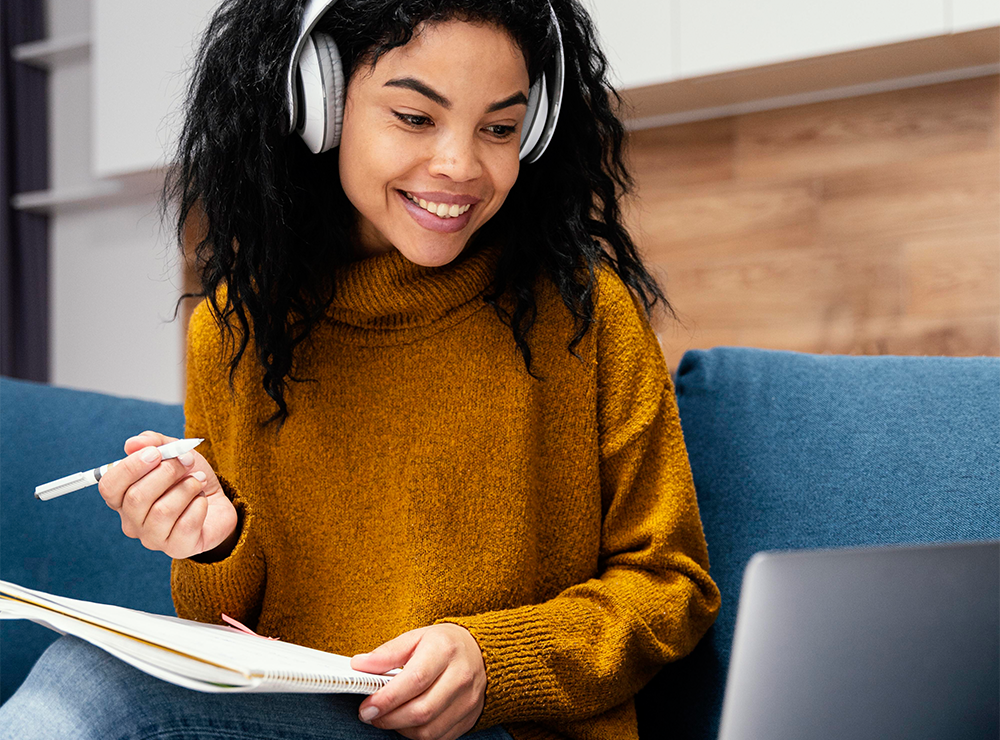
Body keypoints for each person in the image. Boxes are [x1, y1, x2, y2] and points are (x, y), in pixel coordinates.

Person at [0, 1, 720, 739]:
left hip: (505, 729)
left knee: (92, 688)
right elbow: (223, 630)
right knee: (88, 672)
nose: (460, 165)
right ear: (323, 108)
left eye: (500, 128)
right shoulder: (234, 331)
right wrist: (212, 543)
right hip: (302, 721)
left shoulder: (581, 309)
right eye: (414, 117)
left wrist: (489, 662)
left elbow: (671, 585)